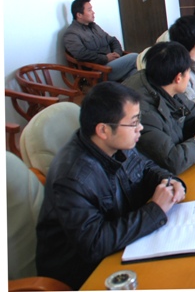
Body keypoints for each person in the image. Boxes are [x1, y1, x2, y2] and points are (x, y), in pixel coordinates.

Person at [35, 82, 185, 289]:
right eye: (133, 122)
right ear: (103, 130)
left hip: (123, 244)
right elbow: (94, 244)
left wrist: (169, 181)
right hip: (87, 273)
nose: (140, 127)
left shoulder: (116, 143)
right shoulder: (73, 178)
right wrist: (155, 210)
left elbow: (146, 167)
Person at [123, 41, 195, 174]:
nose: (189, 77)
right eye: (188, 72)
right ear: (178, 78)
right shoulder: (142, 112)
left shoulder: (163, 83)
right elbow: (172, 161)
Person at [64, 0, 138, 82]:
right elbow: (81, 54)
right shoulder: (71, 33)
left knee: (137, 74)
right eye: (89, 10)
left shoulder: (94, 26)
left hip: (113, 64)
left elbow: (112, 40)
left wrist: (117, 53)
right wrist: (105, 58)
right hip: (98, 71)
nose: (93, 12)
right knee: (135, 56)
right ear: (79, 15)